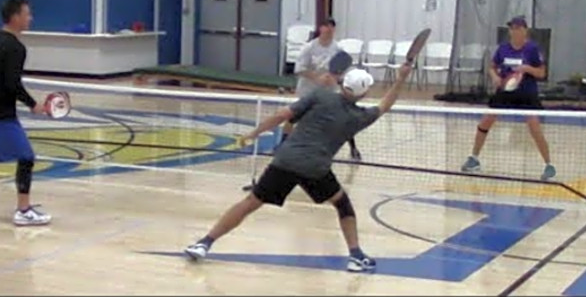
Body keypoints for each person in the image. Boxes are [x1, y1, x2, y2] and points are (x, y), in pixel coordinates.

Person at [185, 63, 413, 273]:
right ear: (363, 92)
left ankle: (204, 243)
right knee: (343, 205)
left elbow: (282, 115)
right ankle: (356, 256)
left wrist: (254, 133)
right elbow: (385, 105)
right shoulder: (359, 116)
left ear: (343, 83)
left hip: (285, 161)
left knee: (249, 203)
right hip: (315, 169)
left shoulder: (319, 95)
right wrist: (401, 78)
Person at [461, 16, 556, 181]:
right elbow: (492, 67)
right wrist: (495, 77)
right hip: (505, 90)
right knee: (485, 122)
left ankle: (549, 165)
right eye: (512, 28)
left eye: (518, 28)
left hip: (526, 93)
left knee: (534, 127)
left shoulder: (532, 49)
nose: (514, 31)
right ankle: (474, 158)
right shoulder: (503, 48)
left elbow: (541, 73)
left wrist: (527, 68)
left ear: (524, 30)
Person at [279, 17, 363, 161]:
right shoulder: (309, 48)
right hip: (308, 91)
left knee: (343, 119)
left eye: (332, 27)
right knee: (293, 117)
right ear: (321, 29)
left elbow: (342, 71)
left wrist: (335, 79)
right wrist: (316, 77)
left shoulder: (338, 49)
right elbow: (299, 69)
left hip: (329, 92)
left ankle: (353, 149)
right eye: (326, 27)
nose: (329, 30)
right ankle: (281, 145)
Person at [0, 0, 51, 226]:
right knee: (26, 157)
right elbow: (13, 83)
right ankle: (23, 211)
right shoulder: (15, 48)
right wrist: (33, 104)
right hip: (3, 116)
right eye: (27, 14)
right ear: (15, 17)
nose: (30, 18)